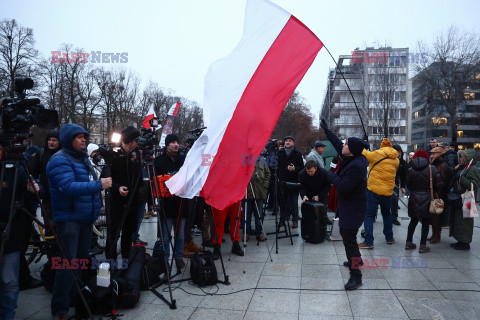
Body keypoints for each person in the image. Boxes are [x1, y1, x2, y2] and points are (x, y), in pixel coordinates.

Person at [47, 123, 112, 319]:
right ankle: (60, 308)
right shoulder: (59, 159)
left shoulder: (81, 158)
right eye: (79, 137)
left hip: (84, 218)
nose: (84, 140)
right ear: (68, 139)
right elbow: (68, 187)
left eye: (85, 136)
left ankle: (78, 299)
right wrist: (98, 185)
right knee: (67, 265)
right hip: (69, 220)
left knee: (81, 262)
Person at [321, 120, 369, 290]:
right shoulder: (352, 156)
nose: (343, 145)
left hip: (353, 208)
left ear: (352, 150)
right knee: (347, 237)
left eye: (346, 144)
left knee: (349, 240)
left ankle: (356, 276)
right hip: (348, 206)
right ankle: (355, 260)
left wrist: (329, 174)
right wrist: (328, 132)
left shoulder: (356, 166)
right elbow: (337, 143)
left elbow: (343, 186)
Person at [0, 144, 39, 320]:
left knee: (9, 281)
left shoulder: (17, 167)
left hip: (11, 235)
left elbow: (35, 191)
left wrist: (33, 189)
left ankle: (8, 314)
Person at [106, 126, 147, 259]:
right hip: (117, 202)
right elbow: (106, 178)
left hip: (133, 201)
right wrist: (117, 188)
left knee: (128, 233)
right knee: (114, 233)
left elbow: (140, 179)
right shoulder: (114, 155)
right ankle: (110, 262)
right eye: (136, 141)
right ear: (130, 141)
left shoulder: (138, 155)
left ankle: (126, 260)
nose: (137, 144)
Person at [154, 134, 188, 269]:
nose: (176, 145)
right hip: (166, 204)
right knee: (166, 235)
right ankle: (165, 259)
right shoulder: (158, 161)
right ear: (167, 145)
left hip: (181, 202)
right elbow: (154, 181)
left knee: (180, 234)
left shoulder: (184, 159)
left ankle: (178, 257)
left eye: (177, 142)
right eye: (172, 142)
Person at [359, 138, 399, 250]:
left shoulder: (376, 154)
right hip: (388, 191)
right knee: (387, 214)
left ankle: (368, 241)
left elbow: (363, 152)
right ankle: (389, 238)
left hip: (374, 190)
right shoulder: (396, 159)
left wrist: (364, 142)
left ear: (381, 146)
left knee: (369, 216)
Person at [405, 150, 443, 253]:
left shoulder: (410, 170)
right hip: (428, 197)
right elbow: (439, 184)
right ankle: (422, 246)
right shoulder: (432, 169)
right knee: (426, 222)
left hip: (414, 197)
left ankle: (408, 243)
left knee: (413, 221)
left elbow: (408, 186)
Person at [449, 150, 480, 250]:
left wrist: (461, 179)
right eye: (459, 157)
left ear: (468, 158)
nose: (460, 159)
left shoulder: (472, 169)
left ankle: (465, 242)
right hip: (460, 197)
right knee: (459, 220)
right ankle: (460, 240)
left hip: (467, 198)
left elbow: (474, 185)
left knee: (465, 222)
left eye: (462, 157)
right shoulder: (463, 168)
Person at [277, 136, 304, 229]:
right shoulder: (280, 153)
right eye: (286, 141)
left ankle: (295, 220)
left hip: (294, 181)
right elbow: (277, 165)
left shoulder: (298, 153)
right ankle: (282, 220)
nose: (287, 142)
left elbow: (302, 167)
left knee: (294, 202)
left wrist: (295, 168)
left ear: (293, 143)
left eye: (290, 141)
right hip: (283, 180)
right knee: (282, 202)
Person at [429, 147, 454, 243]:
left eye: (434, 154)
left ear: (439, 155)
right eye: (431, 154)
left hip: (440, 195)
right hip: (435, 194)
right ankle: (434, 234)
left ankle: (437, 236)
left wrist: (438, 192)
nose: (431, 156)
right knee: (434, 215)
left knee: (437, 216)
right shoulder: (434, 165)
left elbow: (442, 182)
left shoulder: (442, 166)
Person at [243, 156, 270, 241]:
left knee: (259, 214)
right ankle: (246, 233)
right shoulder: (244, 160)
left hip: (259, 192)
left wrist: (264, 186)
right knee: (246, 215)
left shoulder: (262, 161)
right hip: (247, 193)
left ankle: (259, 232)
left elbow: (268, 174)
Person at [391, 145, 407, 226]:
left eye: (399, 151)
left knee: (395, 201)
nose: (397, 153)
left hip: (396, 184)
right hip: (386, 183)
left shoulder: (402, 162)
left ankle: (394, 218)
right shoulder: (388, 160)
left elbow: (403, 176)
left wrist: (403, 187)